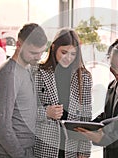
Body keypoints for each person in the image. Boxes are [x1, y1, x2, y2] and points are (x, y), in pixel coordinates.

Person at [0, 23, 48, 158]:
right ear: (19, 45)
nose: (38, 57)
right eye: (33, 52)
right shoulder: (8, 74)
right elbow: (2, 129)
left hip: (24, 149)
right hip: (9, 153)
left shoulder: (27, 68)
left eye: (41, 52)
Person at [34, 28, 92, 158]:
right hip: (44, 146)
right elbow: (26, 110)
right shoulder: (38, 73)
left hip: (71, 147)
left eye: (73, 54)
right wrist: (46, 112)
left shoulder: (84, 77)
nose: (68, 58)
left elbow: (86, 118)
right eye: (64, 52)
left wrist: (84, 151)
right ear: (54, 47)